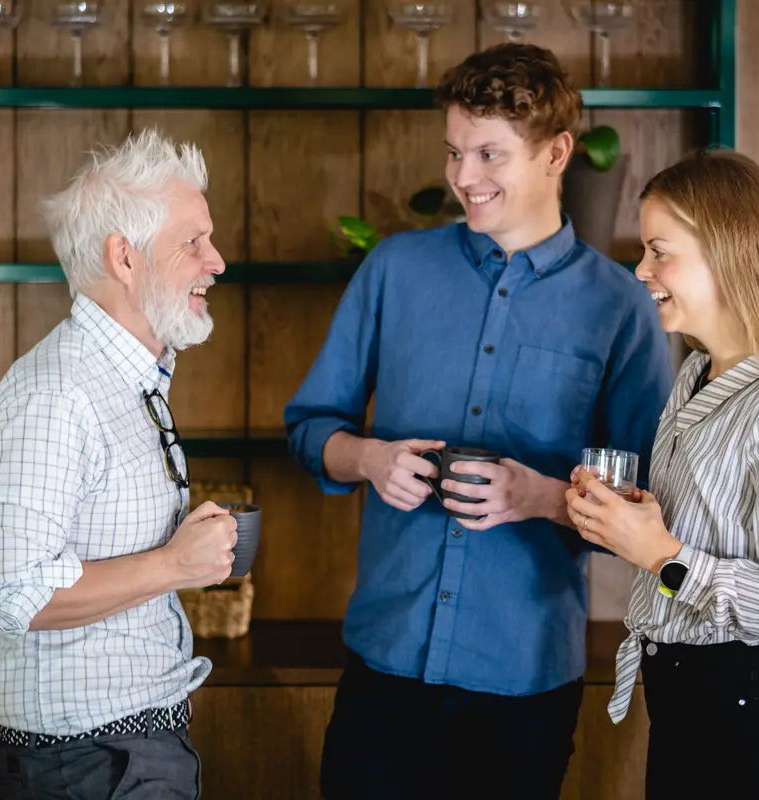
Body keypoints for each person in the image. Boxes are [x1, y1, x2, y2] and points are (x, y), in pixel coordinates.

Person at [284, 43, 673, 799]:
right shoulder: (393, 271)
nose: (463, 177)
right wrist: (366, 459)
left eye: (490, 154)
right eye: (455, 152)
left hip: (522, 684)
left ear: (558, 152)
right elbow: (309, 428)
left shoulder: (620, 307)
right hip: (383, 670)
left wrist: (539, 497)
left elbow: (650, 500)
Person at [566, 149, 759, 799]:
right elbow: (699, 529)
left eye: (659, 251)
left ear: (727, 252)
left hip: (755, 736)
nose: (641, 270)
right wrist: (630, 523)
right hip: (688, 715)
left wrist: (660, 553)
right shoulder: (697, 373)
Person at [0, 129, 239, 800]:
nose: (218, 261)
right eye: (193, 241)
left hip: (124, 752)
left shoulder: (126, 382)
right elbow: (10, 595)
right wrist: (175, 565)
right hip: (92, 765)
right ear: (125, 257)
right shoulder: (56, 394)